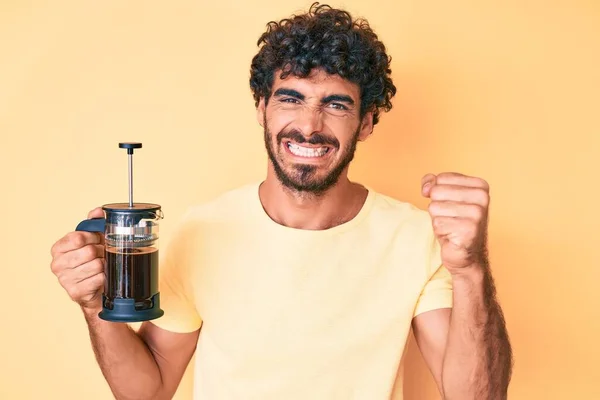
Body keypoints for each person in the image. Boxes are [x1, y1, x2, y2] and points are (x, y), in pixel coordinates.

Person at [50, 3, 513, 399]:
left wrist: (470, 269)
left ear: (367, 122)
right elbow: (148, 391)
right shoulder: (202, 230)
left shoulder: (415, 237)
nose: (309, 125)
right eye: (290, 98)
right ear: (261, 108)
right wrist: (96, 307)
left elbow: (474, 394)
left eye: (336, 104)